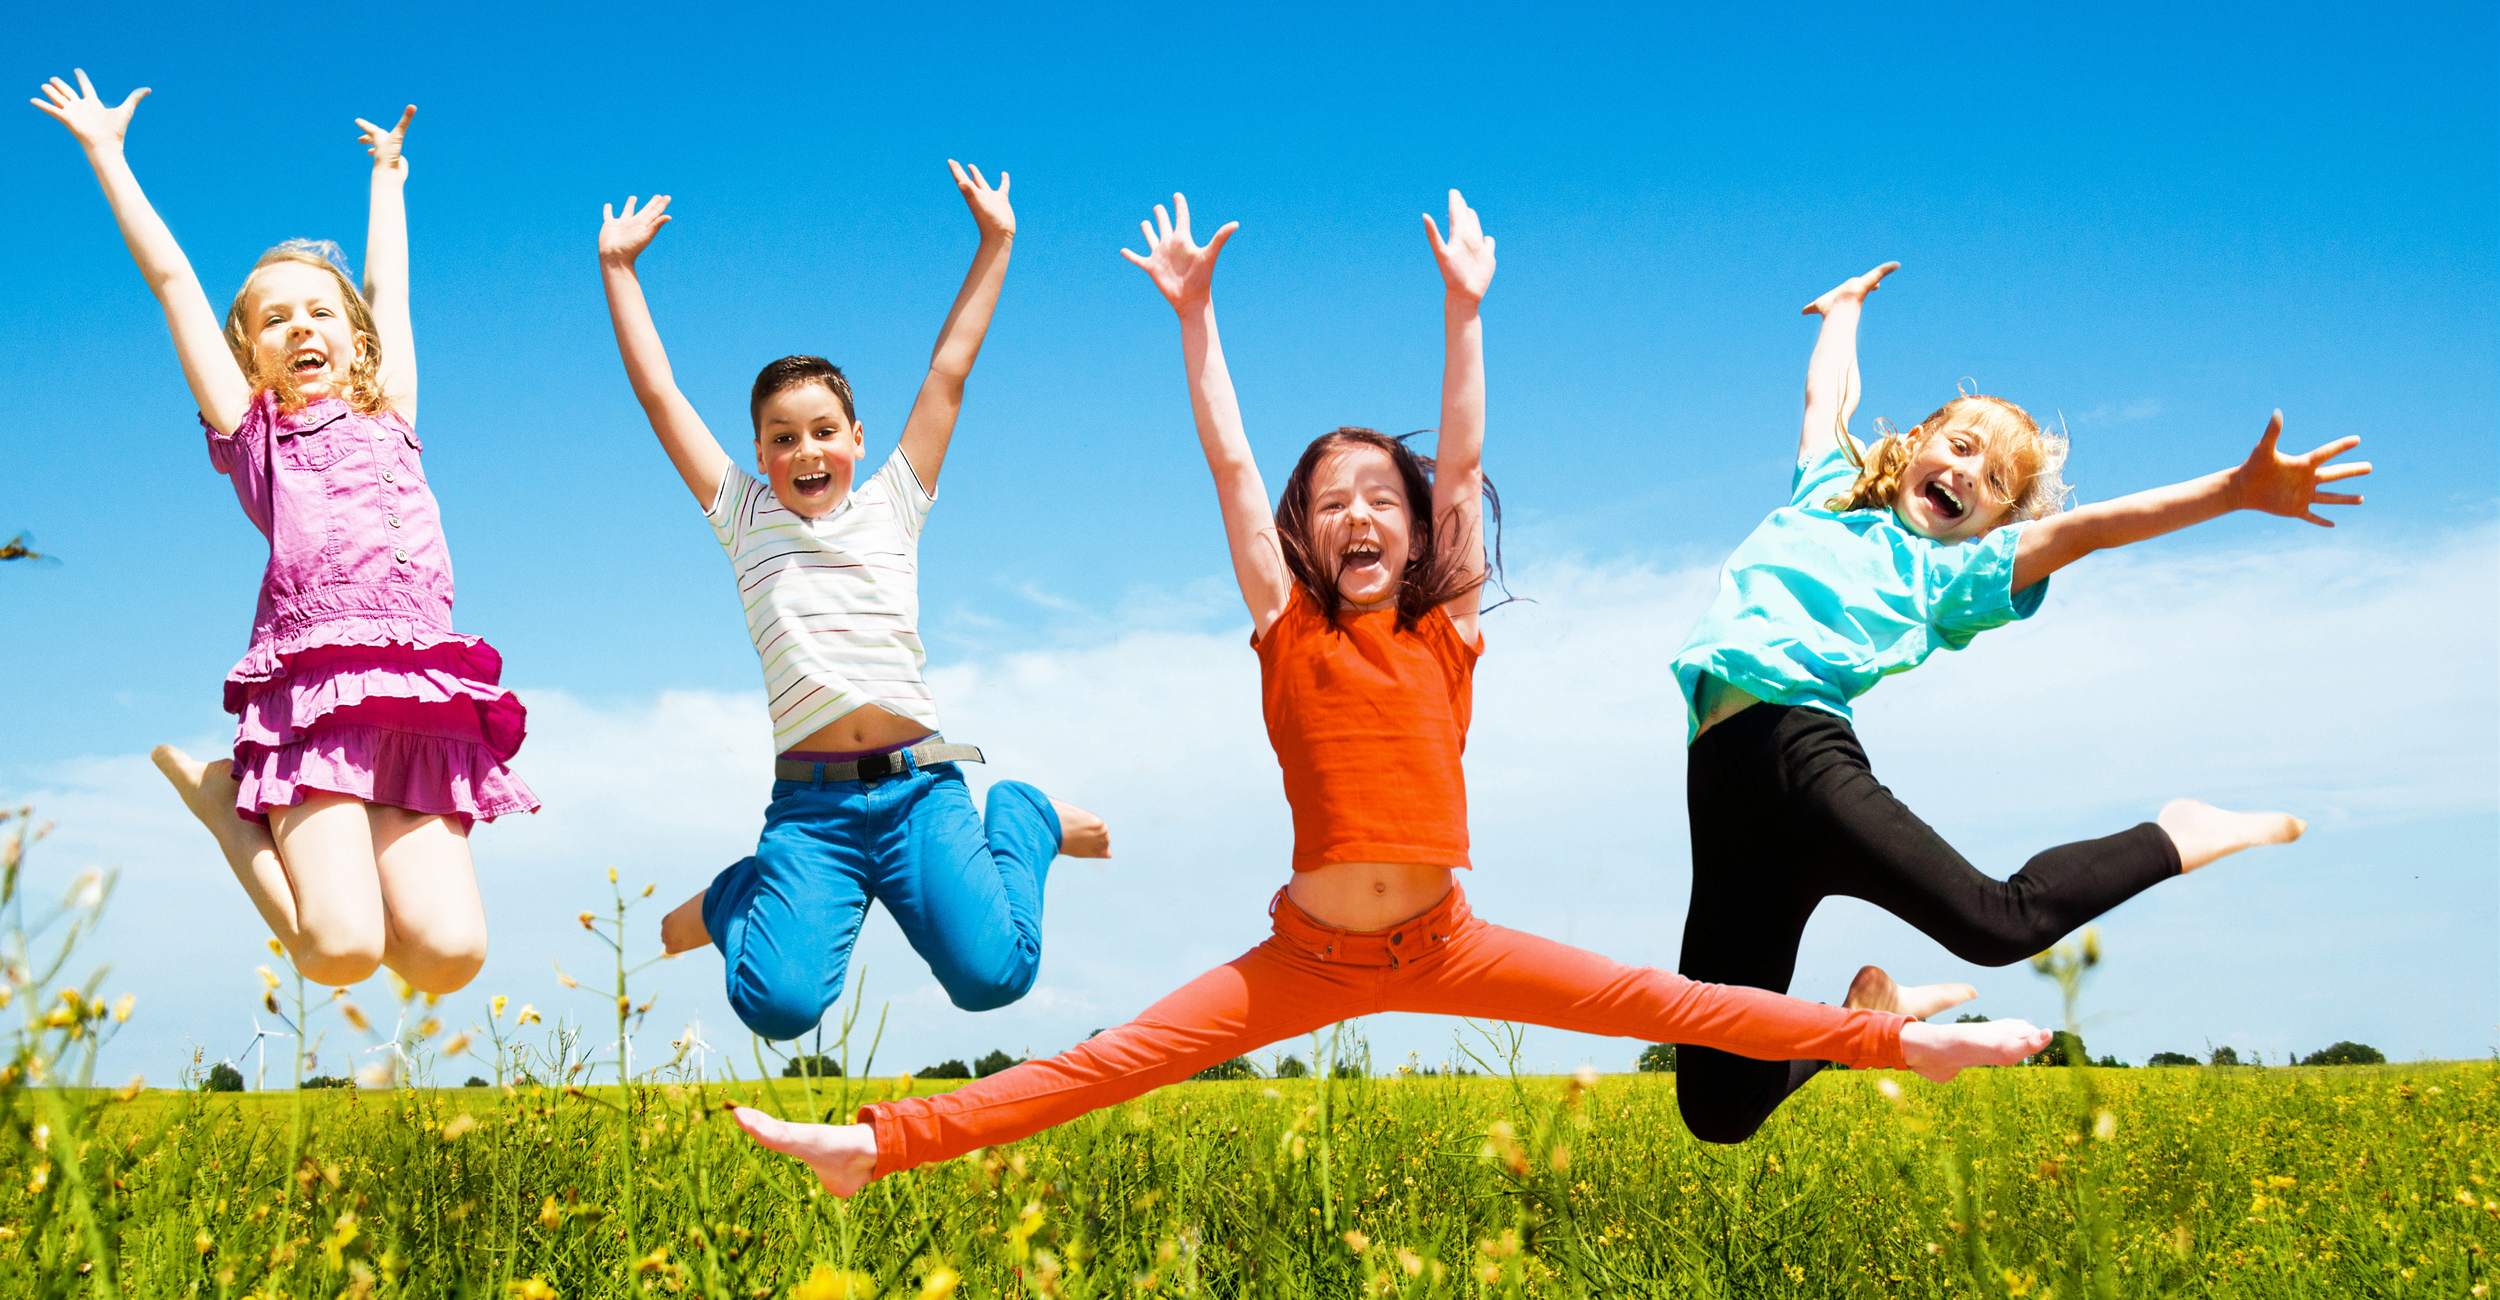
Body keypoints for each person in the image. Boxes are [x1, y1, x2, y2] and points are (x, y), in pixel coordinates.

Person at [731, 194, 2051, 1196]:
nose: (1357, 512)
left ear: (1417, 532)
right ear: (1303, 535)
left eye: (1380, 497)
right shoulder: (1285, 624)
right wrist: (1194, 317)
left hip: (1444, 939)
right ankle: (875, 1145)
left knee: (1670, 1003)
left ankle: (1892, 1043)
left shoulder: (1445, 629)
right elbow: (1232, 463)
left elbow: (1460, 457)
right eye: (1331, 502)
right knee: (1111, 1060)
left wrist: (1464, 310)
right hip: (1304, 950)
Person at [1668, 260, 2368, 1144]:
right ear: (1915, 442)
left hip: (1798, 755)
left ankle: (2173, 834)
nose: (1969, 474)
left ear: (1995, 525)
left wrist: (2232, 491)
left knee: (1998, 923)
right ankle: (1862, 1021)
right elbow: (1827, 398)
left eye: (1996, 481)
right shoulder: (1825, 494)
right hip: (1719, 783)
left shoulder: (1953, 573)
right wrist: (1842, 311)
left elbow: (2089, 529)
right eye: (1962, 447)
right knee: (1717, 1107)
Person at [34, 73, 533, 994]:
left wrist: (388, 179)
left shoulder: (393, 410)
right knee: (340, 951)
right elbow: (174, 283)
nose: (302, 326)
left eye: (319, 312)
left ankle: (344, 887)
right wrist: (107, 155)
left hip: (419, 695)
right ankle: (226, 805)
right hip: (314, 698)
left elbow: (389, 292)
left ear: (356, 340)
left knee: (449, 958)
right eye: (275, 318)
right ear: (249, 354)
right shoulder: (256, 432)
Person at [596, 167, 1110, 1045]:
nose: (806, 449)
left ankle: (1023, 813)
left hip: (921, 793)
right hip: (812, 813)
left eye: (824, 430)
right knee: (778, 1006)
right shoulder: (744, 518)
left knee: (997, 976)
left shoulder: (893, 503)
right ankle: (737, 894)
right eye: (782, 437)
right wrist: (618, 269)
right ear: (758, 452)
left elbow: (948, 373)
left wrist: (996, 243)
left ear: (858, 439)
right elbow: (659, 397)